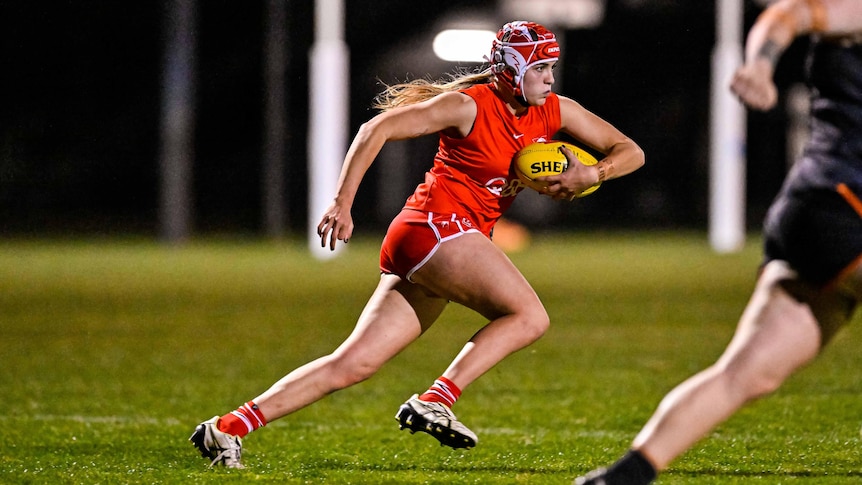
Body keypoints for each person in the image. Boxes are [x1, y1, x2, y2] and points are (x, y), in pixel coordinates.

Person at [189, 20, 644, 469]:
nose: (549, 77)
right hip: (436, 228)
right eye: (539, 67)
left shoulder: (557, 110)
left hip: (441, 238)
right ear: (509, 68)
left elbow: (630, 150)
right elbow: (375, 130)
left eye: (551, 67)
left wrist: (595, 173)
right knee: (529, 316)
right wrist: (342, 204)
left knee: (353, 364)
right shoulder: (467, 106)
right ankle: (436, 399)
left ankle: (227, 427)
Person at [575, 0, 862, 483]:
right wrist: (759, 64)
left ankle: (621, 477)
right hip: (841, 204)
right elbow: (785, 16)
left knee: (745, 374)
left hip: (813, 214)